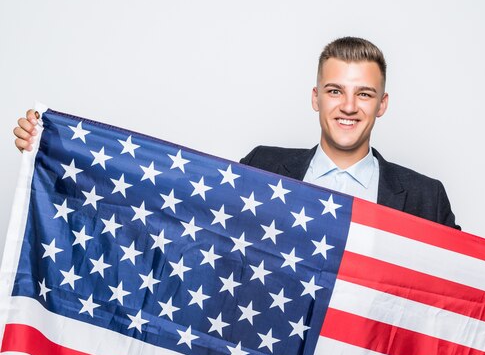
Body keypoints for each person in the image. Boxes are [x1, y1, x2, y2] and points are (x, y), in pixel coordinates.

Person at [13, 37, 460, 229]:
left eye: (363, 94)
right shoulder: (261, 167)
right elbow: (173, 205)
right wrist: (54, 150)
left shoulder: (425, 198)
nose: (347, 106)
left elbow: (471, 299)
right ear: (315, 98)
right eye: (334, 91)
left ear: (382, 104)